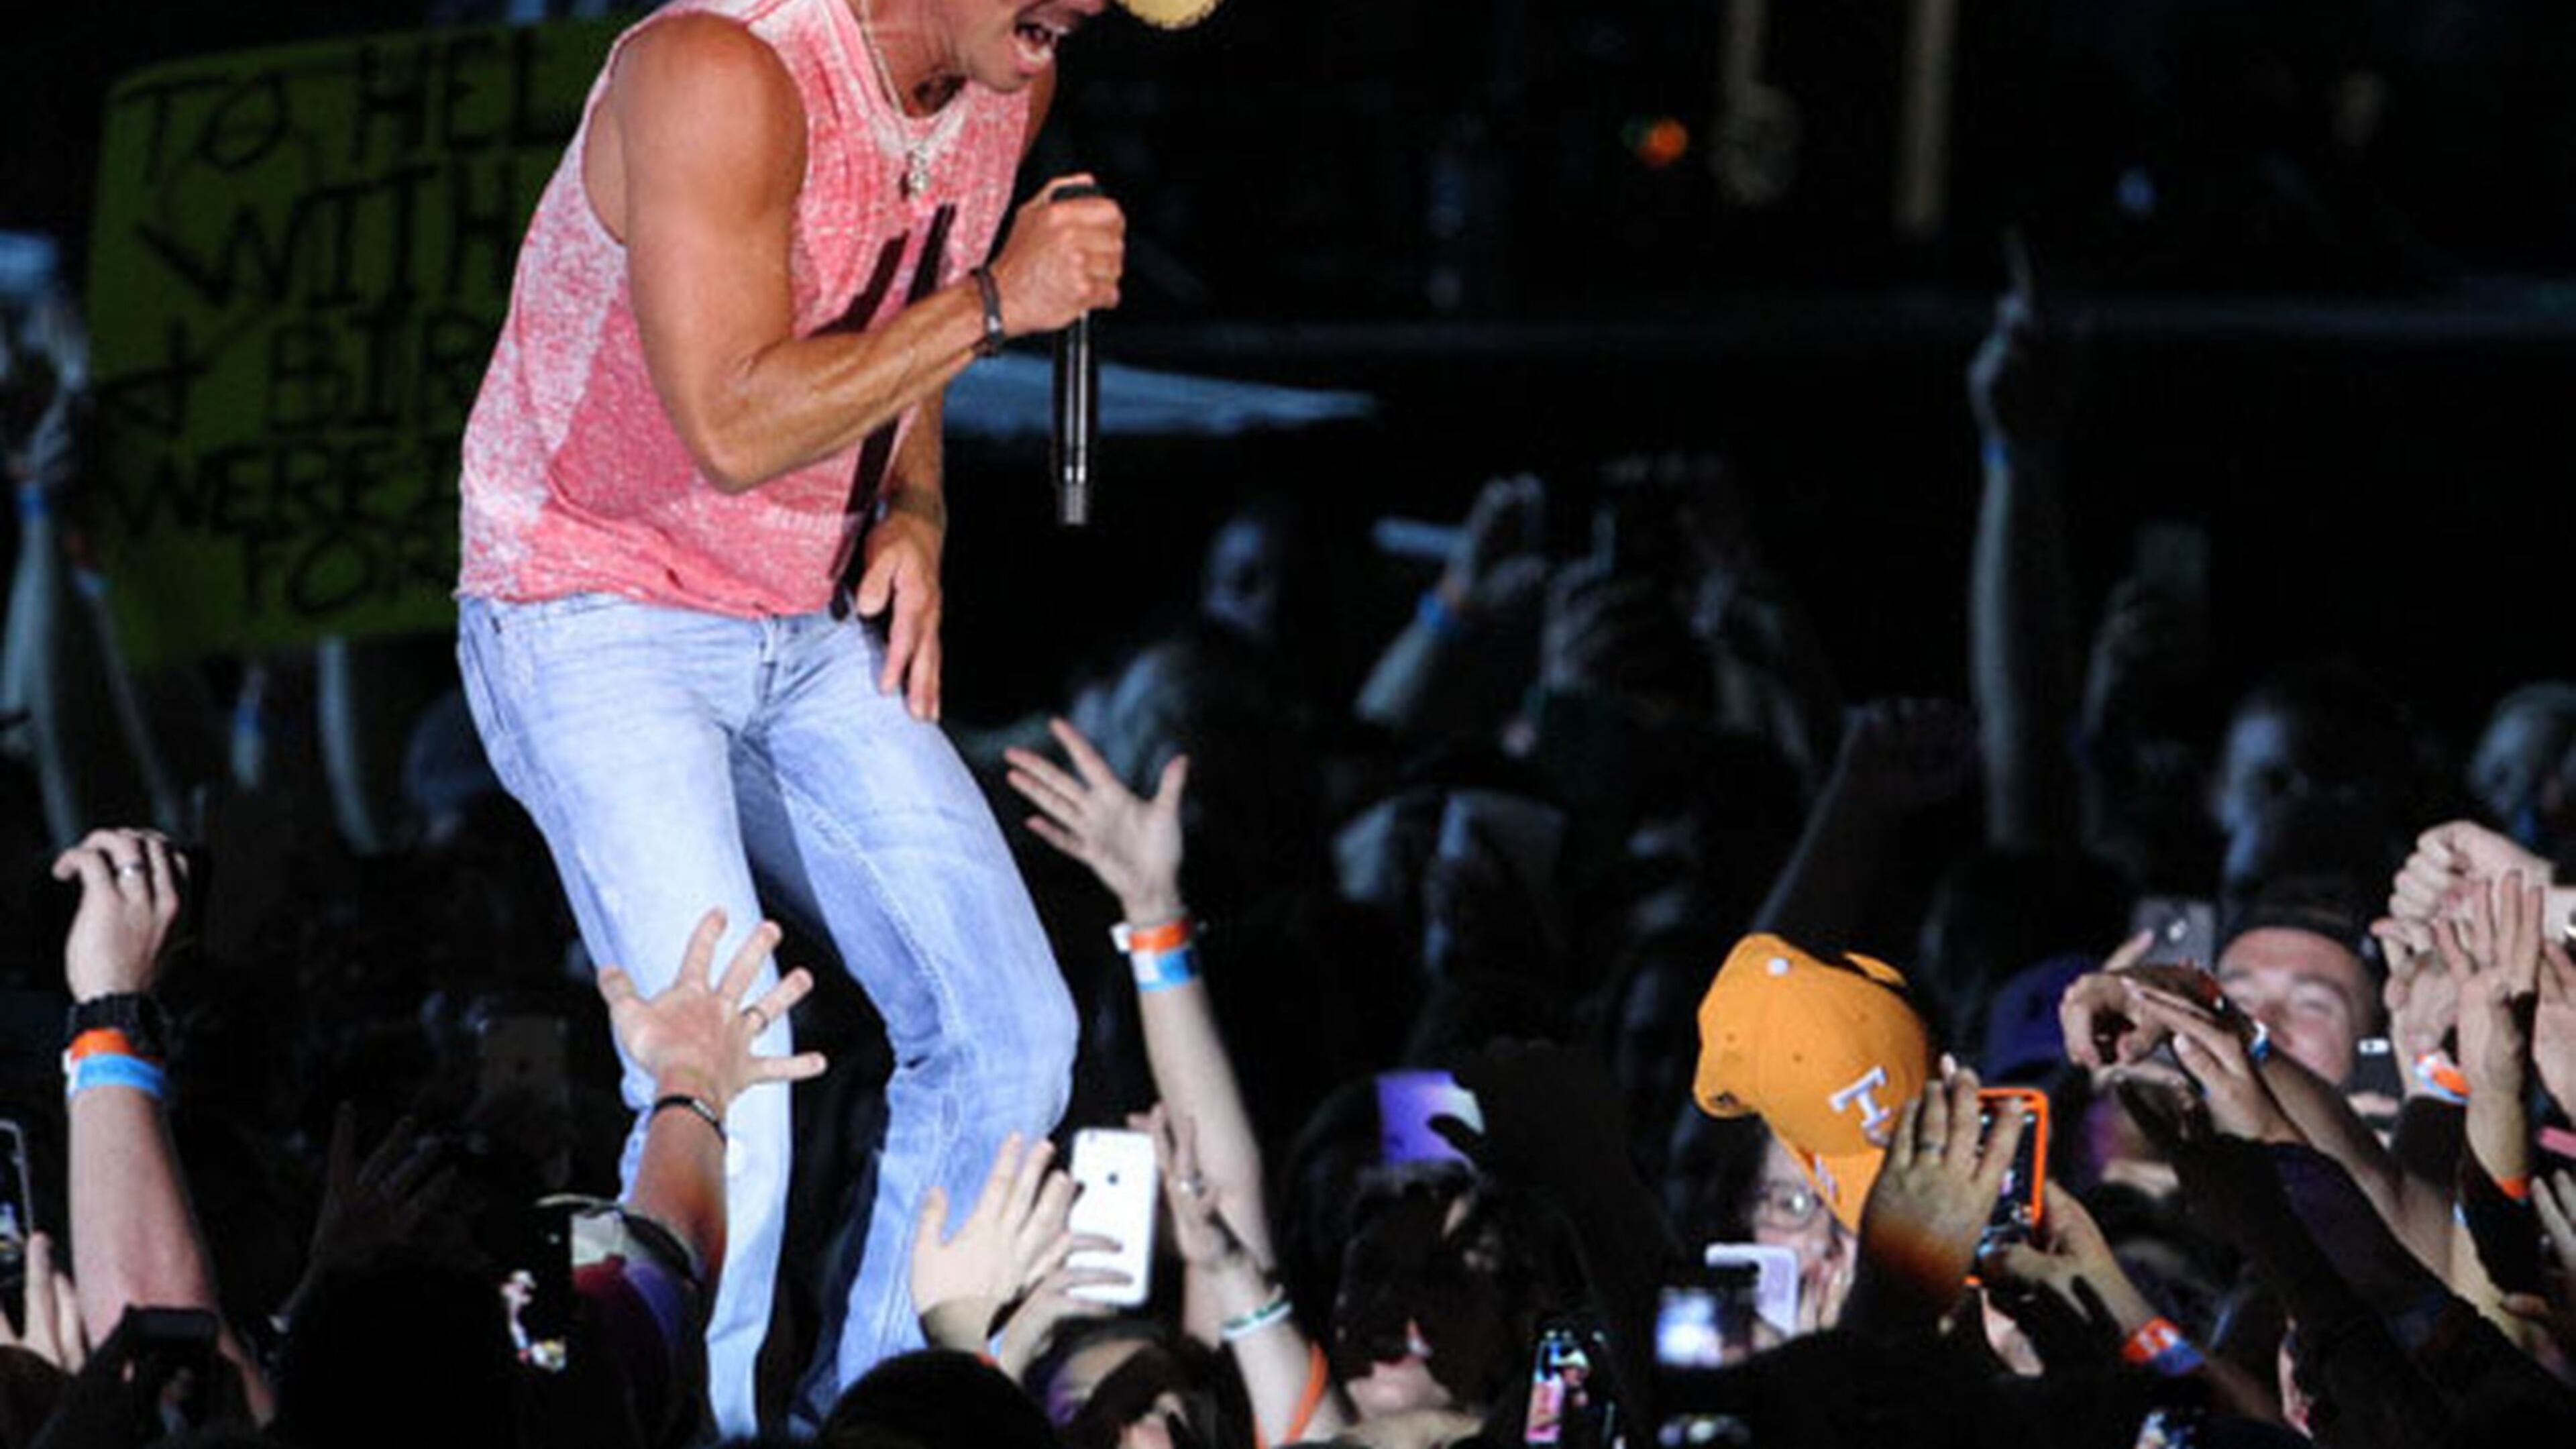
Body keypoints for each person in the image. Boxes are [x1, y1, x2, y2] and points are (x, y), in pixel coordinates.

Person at [449, 0, 1133, 1430]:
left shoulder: (1011, 76)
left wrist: (917, 503)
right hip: (593, 600)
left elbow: (915, 307)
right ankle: (692, 1428)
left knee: (1013, 1031)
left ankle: (876, 1418)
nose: (1087, 15)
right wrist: (1003, 303)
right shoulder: (718, 65)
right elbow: (736, 421)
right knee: (729, 1077)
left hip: (804, 615)